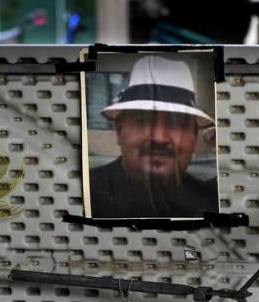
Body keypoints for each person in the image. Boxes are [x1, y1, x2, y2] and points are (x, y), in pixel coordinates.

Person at [88, 55, 218, 219]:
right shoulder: (85, 194)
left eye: (176, 124)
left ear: (194, 135)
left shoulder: (210, 203)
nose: (159, 137)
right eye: (143, 121)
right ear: (120, 130)